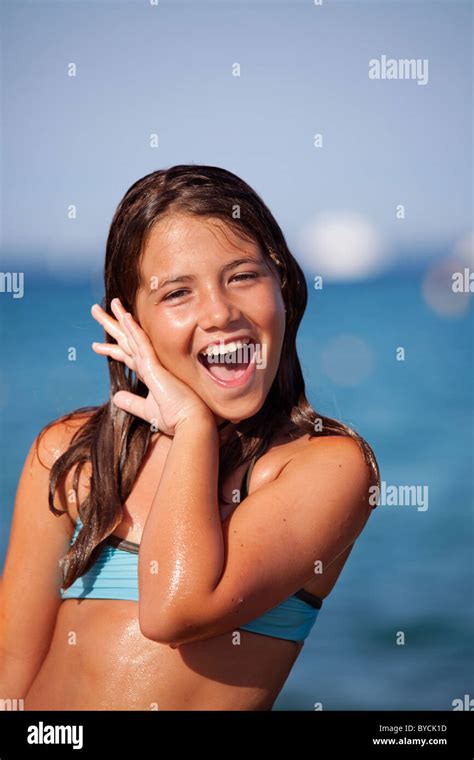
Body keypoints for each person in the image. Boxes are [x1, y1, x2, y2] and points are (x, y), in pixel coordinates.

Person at [0, 164, 380, 711]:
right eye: (178, 292)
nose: (221, 312)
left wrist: (194, 430)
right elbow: (12, 669)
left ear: (285, 286)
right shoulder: (72, 454)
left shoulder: (327, 469)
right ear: (129, 321)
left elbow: (174, 611)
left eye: (244, 276)